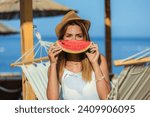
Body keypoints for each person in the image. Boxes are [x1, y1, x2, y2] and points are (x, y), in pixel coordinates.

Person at [47, 11, 111, 100]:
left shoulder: (100, 60)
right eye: (68, 36)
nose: (74, 40)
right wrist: (53, 64)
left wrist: (94, 63)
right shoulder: (56, 66)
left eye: (79, 36)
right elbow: (52, 101)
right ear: (62, 38)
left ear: (85, 38)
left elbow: (106, 98)